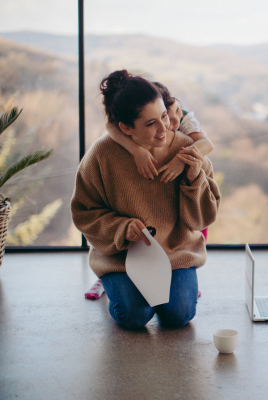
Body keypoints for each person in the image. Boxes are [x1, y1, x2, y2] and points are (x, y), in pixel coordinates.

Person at [72, 69, 220, 329]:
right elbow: (85, 212)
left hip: (176, 251)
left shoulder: (188, 151)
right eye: (151, 123)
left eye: (164, 115)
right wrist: (121, 228)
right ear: (125, 128)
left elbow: (202, 219)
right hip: (121, 257)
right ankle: (113, 287)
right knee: (134, 315)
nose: (165, 128)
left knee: (179, 315)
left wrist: (194, 177)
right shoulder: (101, 155)